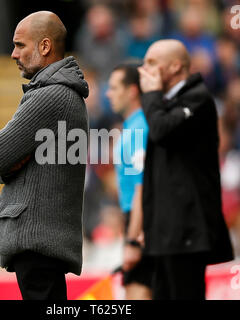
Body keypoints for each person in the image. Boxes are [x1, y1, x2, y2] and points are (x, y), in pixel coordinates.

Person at [0, 11, 89, 300]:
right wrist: (8, 166)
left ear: (44, 46)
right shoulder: (62, 94)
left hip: (38, 243)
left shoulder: (50, 96)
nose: (13, 54)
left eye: (20, 45)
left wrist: (7, 165)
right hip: (42, 243)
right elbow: (3, 161)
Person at [137, 39, 234, 299]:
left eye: (152, 63)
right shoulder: (165, 103)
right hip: (165, 231)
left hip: (187, 230)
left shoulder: (198, 99)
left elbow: (161, 130)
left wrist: (150, 95)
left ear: (176, 66)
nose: (143, 69)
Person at [106, 62, 152, 299]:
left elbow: (140, 188)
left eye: (114, 88)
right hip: (137, 222)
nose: (108, 93)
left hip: (140, 225)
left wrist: (133, 241)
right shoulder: (132, 127)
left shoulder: (138, 129)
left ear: (132, 90)